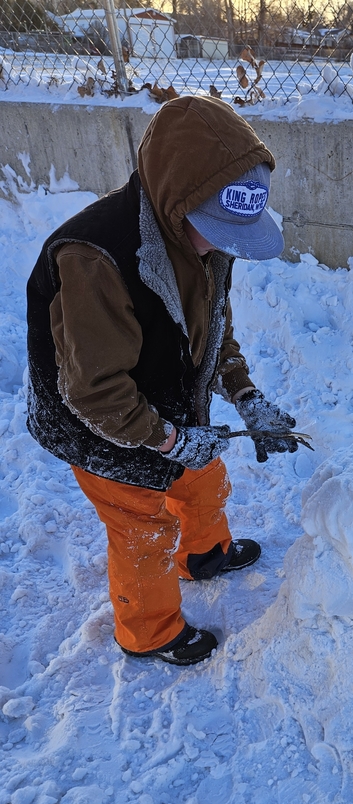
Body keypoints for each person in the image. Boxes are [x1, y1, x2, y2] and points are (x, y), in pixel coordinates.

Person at [26, 95, 298, 666]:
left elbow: (213, 328)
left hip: (164, 403)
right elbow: (94, 392)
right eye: (218, 230)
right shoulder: (96, 259)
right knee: (140, 524)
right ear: (178, 202)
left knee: (202, 476)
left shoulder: (202, 238)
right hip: (100, 424)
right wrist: (169, 440)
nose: (226, 245)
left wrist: (245, 395)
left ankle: (204, 554)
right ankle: (147, 631)